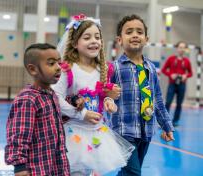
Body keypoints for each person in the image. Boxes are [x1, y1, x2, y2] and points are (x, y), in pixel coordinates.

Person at [53, 14, 134, 176]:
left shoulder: (103, 69)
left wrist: (110, 101)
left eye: (97, 37)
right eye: (87, 37)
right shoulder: (68, 69)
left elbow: (104, 96)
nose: (94, 41)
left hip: (98, 134)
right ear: (75, 43)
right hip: (73, 133)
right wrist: (82, 114)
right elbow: (56, 98)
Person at [110, 14, 175, 176]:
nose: (134, 35)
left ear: (146, 39)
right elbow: (103, 95)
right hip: (123, 131)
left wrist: (166, 125)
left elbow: (158, 100)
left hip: (145, 131)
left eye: (139, 32)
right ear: (119, 40)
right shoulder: (114, 68)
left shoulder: (151, 68)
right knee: (133, 172)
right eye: (129, 32)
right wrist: (107, 94)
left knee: (127, 172)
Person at [4, 43, 70, 176]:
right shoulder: (28, 99)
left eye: (59, 63)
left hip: (57, 167)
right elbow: (18, 135)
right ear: (33, 69)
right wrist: (20, 167)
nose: (58, 68)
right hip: (38, 169)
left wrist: (74, 101)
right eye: (51, 64)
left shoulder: (51, 95)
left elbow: (54, 123)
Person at [161, 41, 193, 127]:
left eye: (183, 47)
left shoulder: (187, 61)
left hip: (182, 85)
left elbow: (191, 73)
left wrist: (185, 76)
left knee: (179, 104)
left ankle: (175, 121)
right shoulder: (171, 59)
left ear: (185, 49)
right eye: (180, 47)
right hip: (172, 84)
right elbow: (163, 70)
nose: (181, 49)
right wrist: (171, 75)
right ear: (177, 48)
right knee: (168, 102)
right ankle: (165, 121)